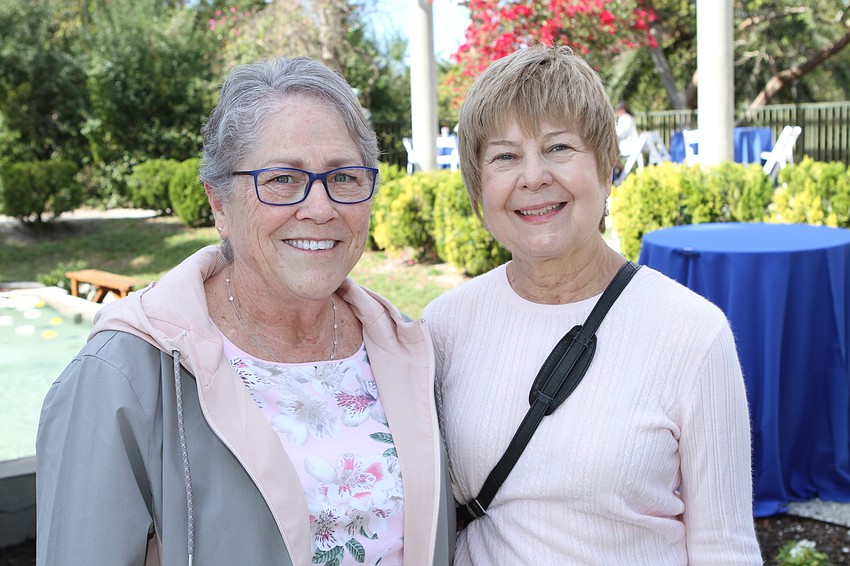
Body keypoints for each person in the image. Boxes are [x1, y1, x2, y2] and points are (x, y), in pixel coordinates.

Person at [36, 57, 454, 565]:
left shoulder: (407, 350)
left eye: (343, 177)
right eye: (281, 179)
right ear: (218, 204)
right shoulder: (121, 377)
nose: (320, 208)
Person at [423, 45, 762, 565]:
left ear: (608, 168)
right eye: (505, 155)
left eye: (559, 148)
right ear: (478, 186)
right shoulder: (443, 326)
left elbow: (724, 548)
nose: (533, 176)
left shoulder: (692, 332)